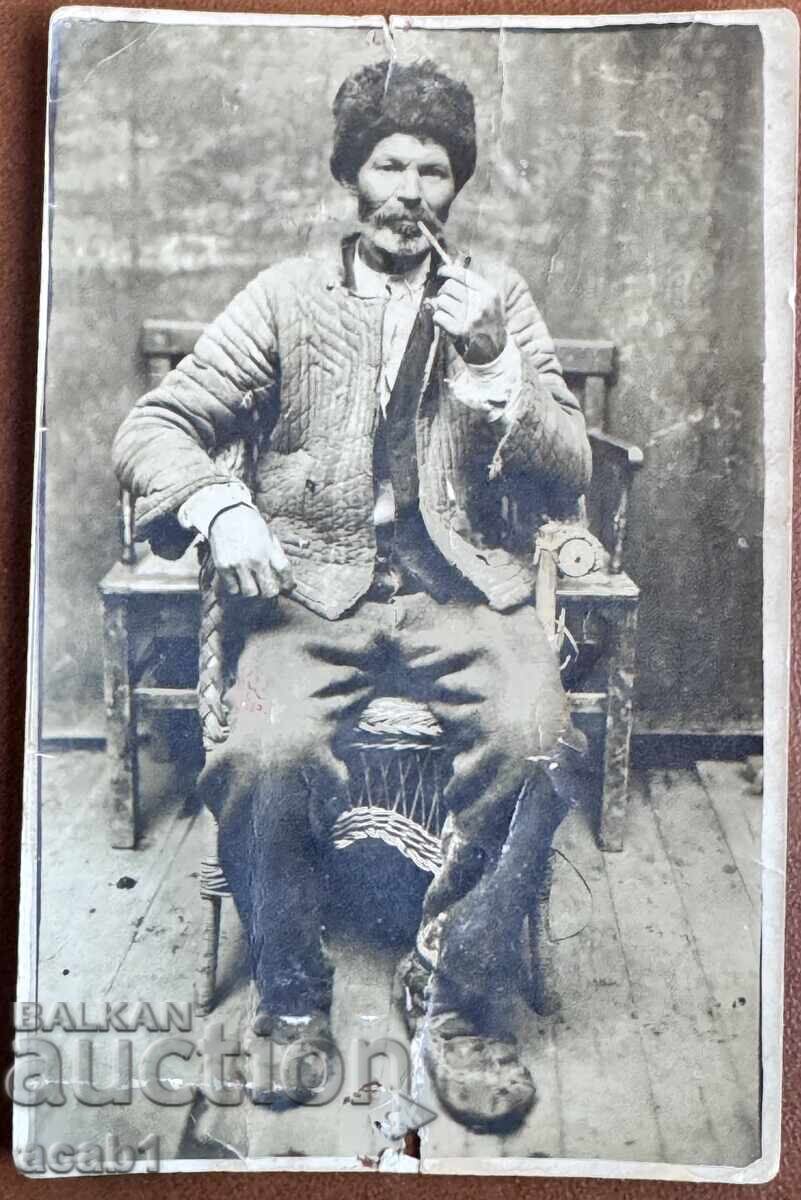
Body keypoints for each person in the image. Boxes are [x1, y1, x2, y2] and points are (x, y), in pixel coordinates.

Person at [112, 57, 591, 1132]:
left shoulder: (498, 297)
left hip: (464, 589)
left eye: (433, 171)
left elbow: (569, 465)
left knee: (535, 735)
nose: (410, 192)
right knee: (260, 753)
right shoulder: (287, 296)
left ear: (455, 190)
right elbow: (154, 428)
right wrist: (223, 512)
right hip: (308, 592)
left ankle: (461, 1000)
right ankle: (290, 1000)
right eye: (389, 164)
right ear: (351, 175)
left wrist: (495, 370)